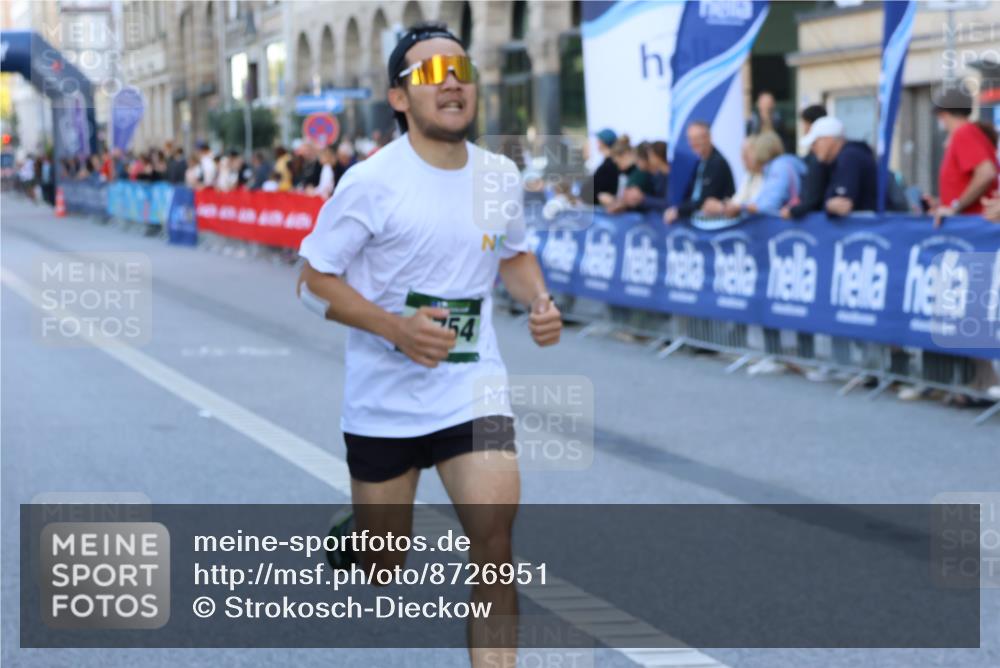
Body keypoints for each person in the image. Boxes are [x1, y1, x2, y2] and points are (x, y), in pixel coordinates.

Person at [296, 22, 561, 667]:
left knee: (494, 544)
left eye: (460, 70)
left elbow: (515, 255)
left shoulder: (499, 175)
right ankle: (360, 540)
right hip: (384, 401)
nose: (449, 82)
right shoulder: (370, 181)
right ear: (398, 98)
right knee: (384, 565)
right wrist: (395, 329)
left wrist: (540, 301)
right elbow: (311, 282)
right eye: (428, 73)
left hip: (472, 387)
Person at [929, 86, 999, 227]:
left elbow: (986, 173)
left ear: (943, 114)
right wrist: (943, 203)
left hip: (973, 227)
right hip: (972, 225)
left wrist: (954, 207)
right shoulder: (968, 133)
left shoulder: (964, 133)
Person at [799, 116, 877, 216]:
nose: (813, 148)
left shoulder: (849, 157)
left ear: (829, 140)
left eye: (815, 142)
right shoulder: (839, 159)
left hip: (867, 229)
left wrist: (829, 205)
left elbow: (842, 204)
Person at [664, 120, 735, 224]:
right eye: (690, 139)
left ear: (708, 137)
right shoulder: (700, 162)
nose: (694, 143)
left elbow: (705, 200)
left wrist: (678, 211)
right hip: (699, 220)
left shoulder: (717, 163)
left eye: (697, 138)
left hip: (716, 223)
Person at [724, 131, 805, 217]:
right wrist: (743, 206)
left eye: (751, 152)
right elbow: (761, 198)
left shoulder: (780, 167)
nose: (747, 157)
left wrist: (743, 207)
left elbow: (769, 204)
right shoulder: (772, 168)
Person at [783, 104, 830, 219]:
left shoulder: (817, 161)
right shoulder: (811, 159)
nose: (804, 129)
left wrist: (794, 211)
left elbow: (813, 198)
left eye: (805, 124)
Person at [583, 128, 619, 206]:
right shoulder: (607, 163)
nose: (596, 143)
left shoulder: (610, 165)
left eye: (598, 140)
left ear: (602, 143)